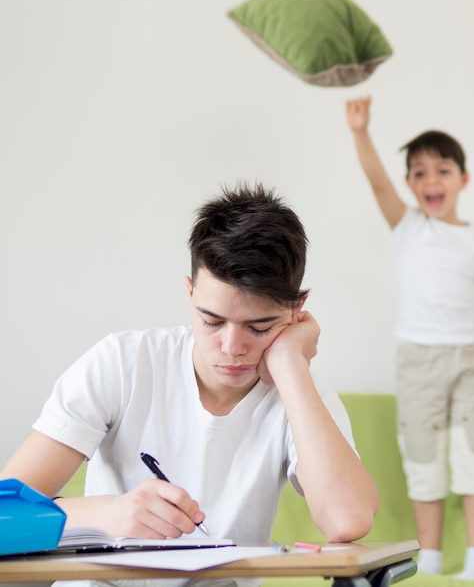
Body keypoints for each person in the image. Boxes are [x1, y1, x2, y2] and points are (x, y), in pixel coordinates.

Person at [0, 182, 379, 586]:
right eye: (212, 321)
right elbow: (7, 518)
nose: (232, 348)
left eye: (260, 327)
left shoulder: (303, 395)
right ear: (190, 291)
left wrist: (289, 364)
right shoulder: (123, 364)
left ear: (296, 310)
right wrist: (108, 514)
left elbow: (347, 520)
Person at [345, 97, 474, 580]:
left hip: (469, 360)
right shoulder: (408, 227)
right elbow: (376, 180)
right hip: (418, 362)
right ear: (410, 184)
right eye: (420, 173)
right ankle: (428, 558)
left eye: (443, 170)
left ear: (463, 180)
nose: (432, 181)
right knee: (424, 461)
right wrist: (362, 132)